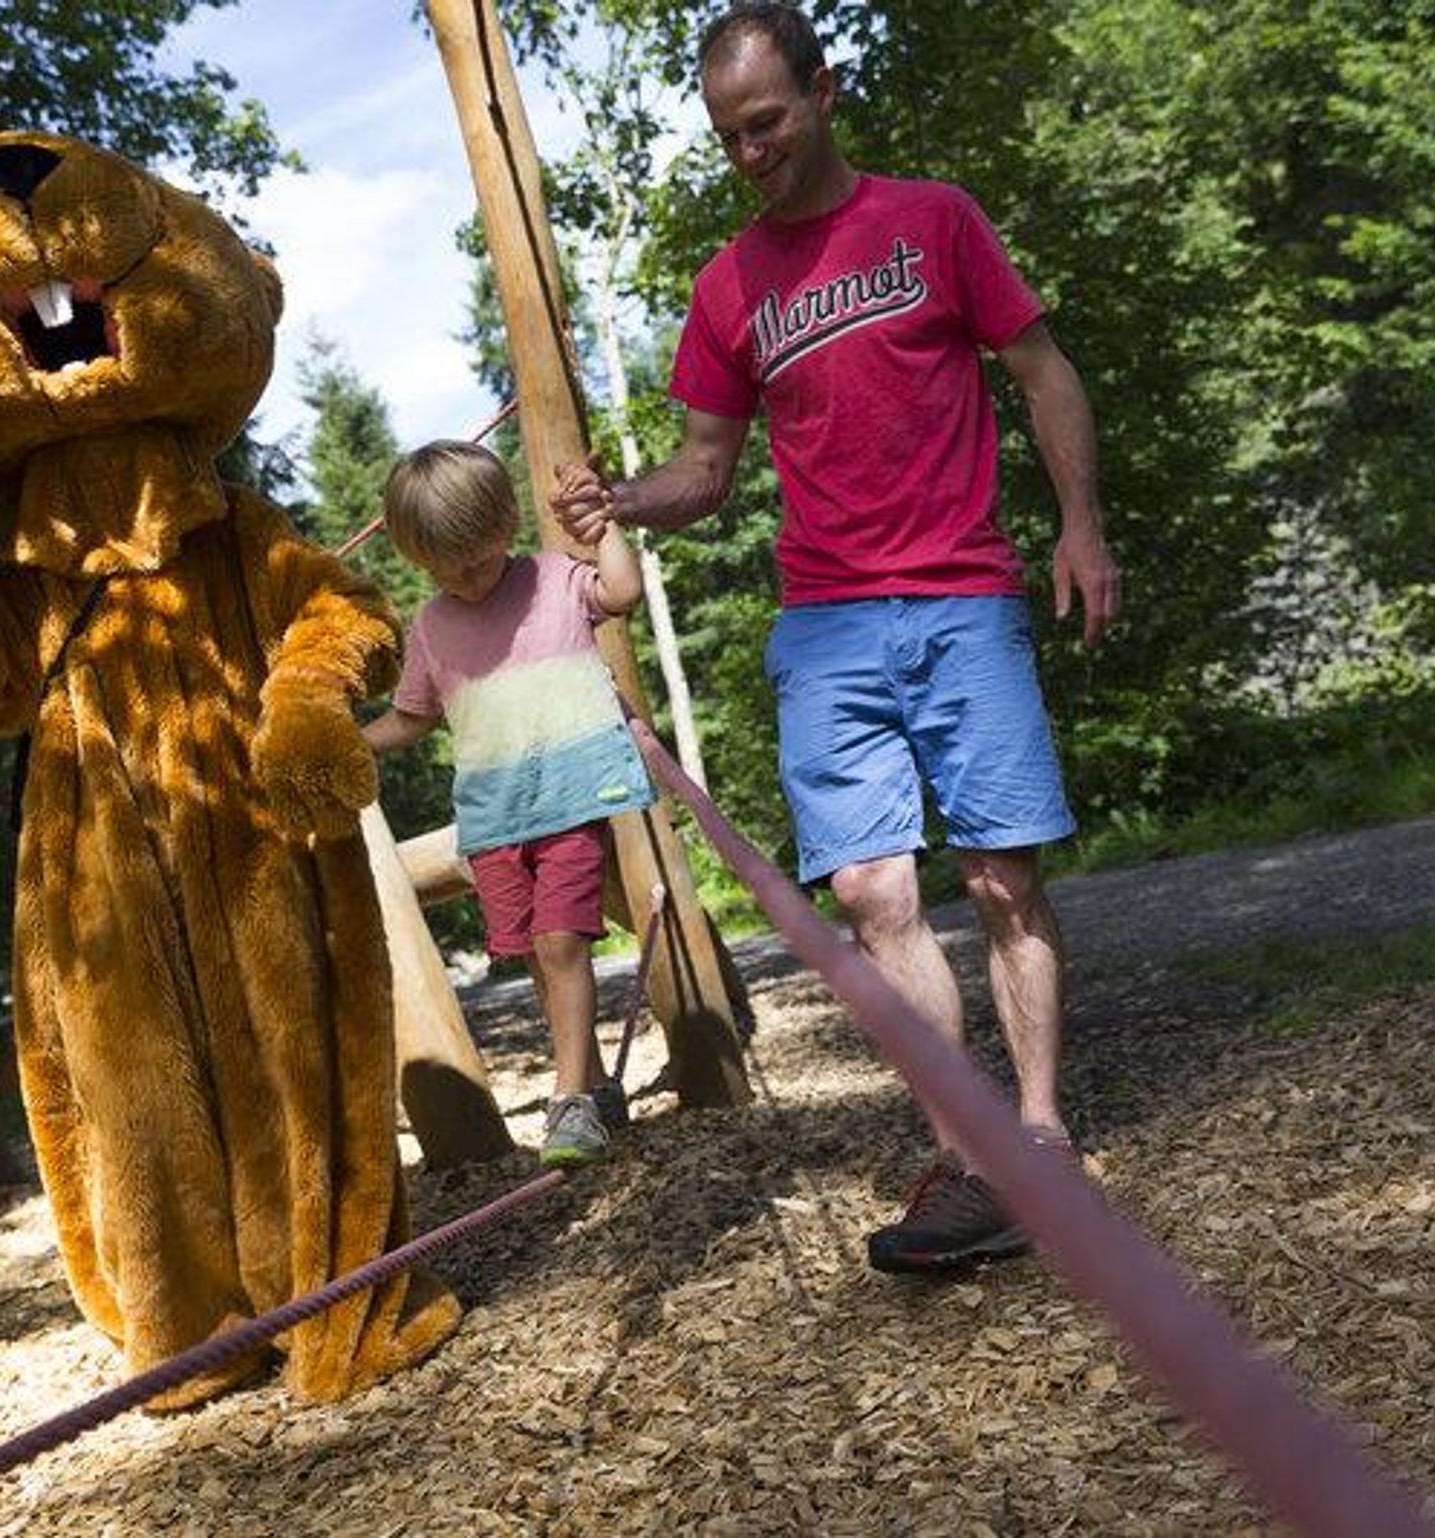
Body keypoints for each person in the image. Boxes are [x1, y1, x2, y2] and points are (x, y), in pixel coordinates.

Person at [551, 2, 1121, 1273]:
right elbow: (704, 469)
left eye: (765, 123)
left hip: (963, 593)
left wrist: (1079, 527)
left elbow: (1041, 371)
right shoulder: (726, 287)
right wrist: (620, 500)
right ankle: (973, 1163)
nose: (748, 153)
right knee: (870, 893)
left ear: (822, 91)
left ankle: (1037, 1130)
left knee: (1001, 880)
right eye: (726, 136)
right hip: (825, 623)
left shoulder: (933, 222)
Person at [364, 440, 653, 1168]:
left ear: (506, 524)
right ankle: (590, 1083)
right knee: (534, 955)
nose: (466, 579)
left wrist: (602, 528)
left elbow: (621, 593)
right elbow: (412, 718)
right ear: (418, 559)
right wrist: (346, 743)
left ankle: (569, 1101)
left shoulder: (554, 580)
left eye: (477, 559)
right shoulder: (432, 627)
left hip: (571, 797)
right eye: (446, 568)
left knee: (561, 944)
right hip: (494, 816)